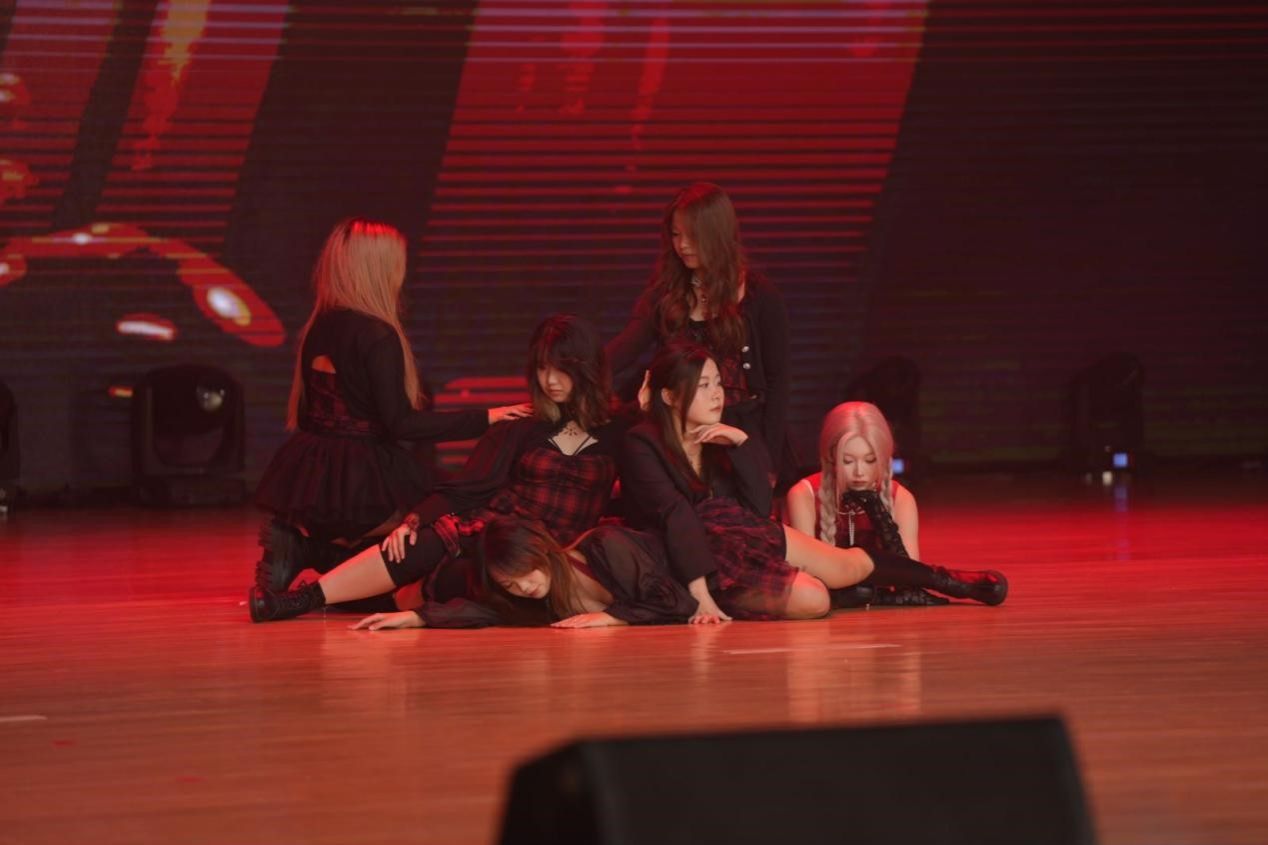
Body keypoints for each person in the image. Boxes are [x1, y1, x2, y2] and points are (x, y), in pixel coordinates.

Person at [249, 313, 635, 622]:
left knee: (426, 591)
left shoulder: (619, 429)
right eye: (542, 369)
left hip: (549, 555)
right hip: (498, 534)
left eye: (561, 370)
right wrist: (415, 520)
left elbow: (638, 491)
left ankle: (319, 557)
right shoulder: (524, 423)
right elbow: (468, 486)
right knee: (418, 546)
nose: (549, 381)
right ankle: (297, 601)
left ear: (586, 368)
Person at [620, 343, 1008, 622]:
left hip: (742, 538)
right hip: (695, 560)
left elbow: (755, 510)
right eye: (703, 385)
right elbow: (675, 515)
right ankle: (863, 592)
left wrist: (741, 445)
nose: (716, 394)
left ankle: (952, 581)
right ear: (669, 396)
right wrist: (700, 594)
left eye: (718, 383)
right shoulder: (643, 442)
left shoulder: (720, 437)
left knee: (847, 564)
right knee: (816, 600)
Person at [252, 217, 529, 590]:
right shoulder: (377, 335)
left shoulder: (321, 324)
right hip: (360, 476)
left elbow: (307, 413)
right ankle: (307, 553)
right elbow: (402, 424)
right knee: (430, 538)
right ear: (380, 269)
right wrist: (487, 417)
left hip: (314, 469)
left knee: (395, 557)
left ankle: (303, 551)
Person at [605, 182, 793, 486]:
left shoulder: (760, 295)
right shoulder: (665, 295)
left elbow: (778, 381)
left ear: (716, 234)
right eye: (676, 235)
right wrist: (568, 378)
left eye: (692, 235)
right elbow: (623, 350)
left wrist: (768, 461)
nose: (683, 245)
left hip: (741, 432)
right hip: (681, 435)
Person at [348, 517, 699, 630]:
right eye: (510, 584)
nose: (523, 587)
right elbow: (482, 611)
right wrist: (415, 618)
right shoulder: (535, 600)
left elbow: (678, 602)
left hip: (703, 567)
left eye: (524, 573)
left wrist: (610, 618)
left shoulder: (606, 546)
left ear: (539, 552)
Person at [786, 401, 947, 607]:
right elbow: (806, 574)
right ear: (831, 457)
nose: (859, 472)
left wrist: (878, 514)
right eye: (848, 461)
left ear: (884, 459)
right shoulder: (804, 495)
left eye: (870, 460)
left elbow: (911, 577)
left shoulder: (901, 498)